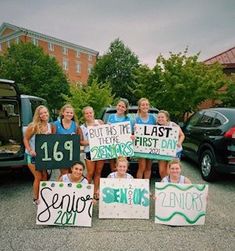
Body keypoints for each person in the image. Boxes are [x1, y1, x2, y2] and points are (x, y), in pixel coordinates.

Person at [23, 105, 54, 205]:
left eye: (45, 112)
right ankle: (36, 199)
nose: (44, 115)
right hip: (32, 156)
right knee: (38, 177)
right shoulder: (33, 126)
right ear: (38, 115)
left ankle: (44, 196)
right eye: (41, 113)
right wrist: (30, 150)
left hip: (43, 156)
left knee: (45, 176)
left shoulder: (50, 126)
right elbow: (26, 139)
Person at [80, 106, 104, 199]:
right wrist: (92, 140)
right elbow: (81, 142)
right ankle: (85, 192)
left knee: (98, 172)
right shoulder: (82, 127)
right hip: (89, 151)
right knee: (90, 173)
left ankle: (96, 192)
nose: (89, 114)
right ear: (84, 115)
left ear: (93, 113)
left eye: (90, 112)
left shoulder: (100, 122)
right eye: (87, 113)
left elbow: (107, 134)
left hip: (100, 151)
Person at [53, 104, 82, 179]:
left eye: (71, 113)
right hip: (60, 153)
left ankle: (68, 189)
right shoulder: (56, 124)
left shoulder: (75, 125)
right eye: (67, 112)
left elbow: (79, 139)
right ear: (63, 113)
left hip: (72, 153)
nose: (69, 114)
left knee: (71, 173)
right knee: (64, 173)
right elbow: (51, 138)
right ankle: (58, 189)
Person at [157, 110, 185, 179]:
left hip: (174, 151)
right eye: (159, 117)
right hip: (162, 151)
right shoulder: (156, 127)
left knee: (170, 171)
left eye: (162, 117)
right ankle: (165, 184)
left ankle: (171, 186)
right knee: (161, 171)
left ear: (167, 118)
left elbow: (182, 135)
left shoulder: (173, 125)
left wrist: (179, 142)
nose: (160, 119)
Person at [107, 98, 131, 172]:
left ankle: (122, 183)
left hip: (123, 146)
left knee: (122, 166)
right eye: (119, 105)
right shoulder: (110, 116)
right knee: (113, 167)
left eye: (123, 107)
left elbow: (129, 133)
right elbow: (106, 130)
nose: (120, 108)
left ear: (126, 109)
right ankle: (114, 182)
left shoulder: (128, 119)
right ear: (116, 106)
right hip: (111, 145)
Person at [134, 98, 156, 179]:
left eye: (147, 104)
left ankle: (146, 187)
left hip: (151, 147)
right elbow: (132, 132)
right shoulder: (136, 119)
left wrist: (172, 125)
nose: (145, 106)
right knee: (142, 167)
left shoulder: (153, 118)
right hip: (140, 147)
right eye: (143, 105)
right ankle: (139, 186)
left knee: (148, 168)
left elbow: (160, 128)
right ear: (139, 107)